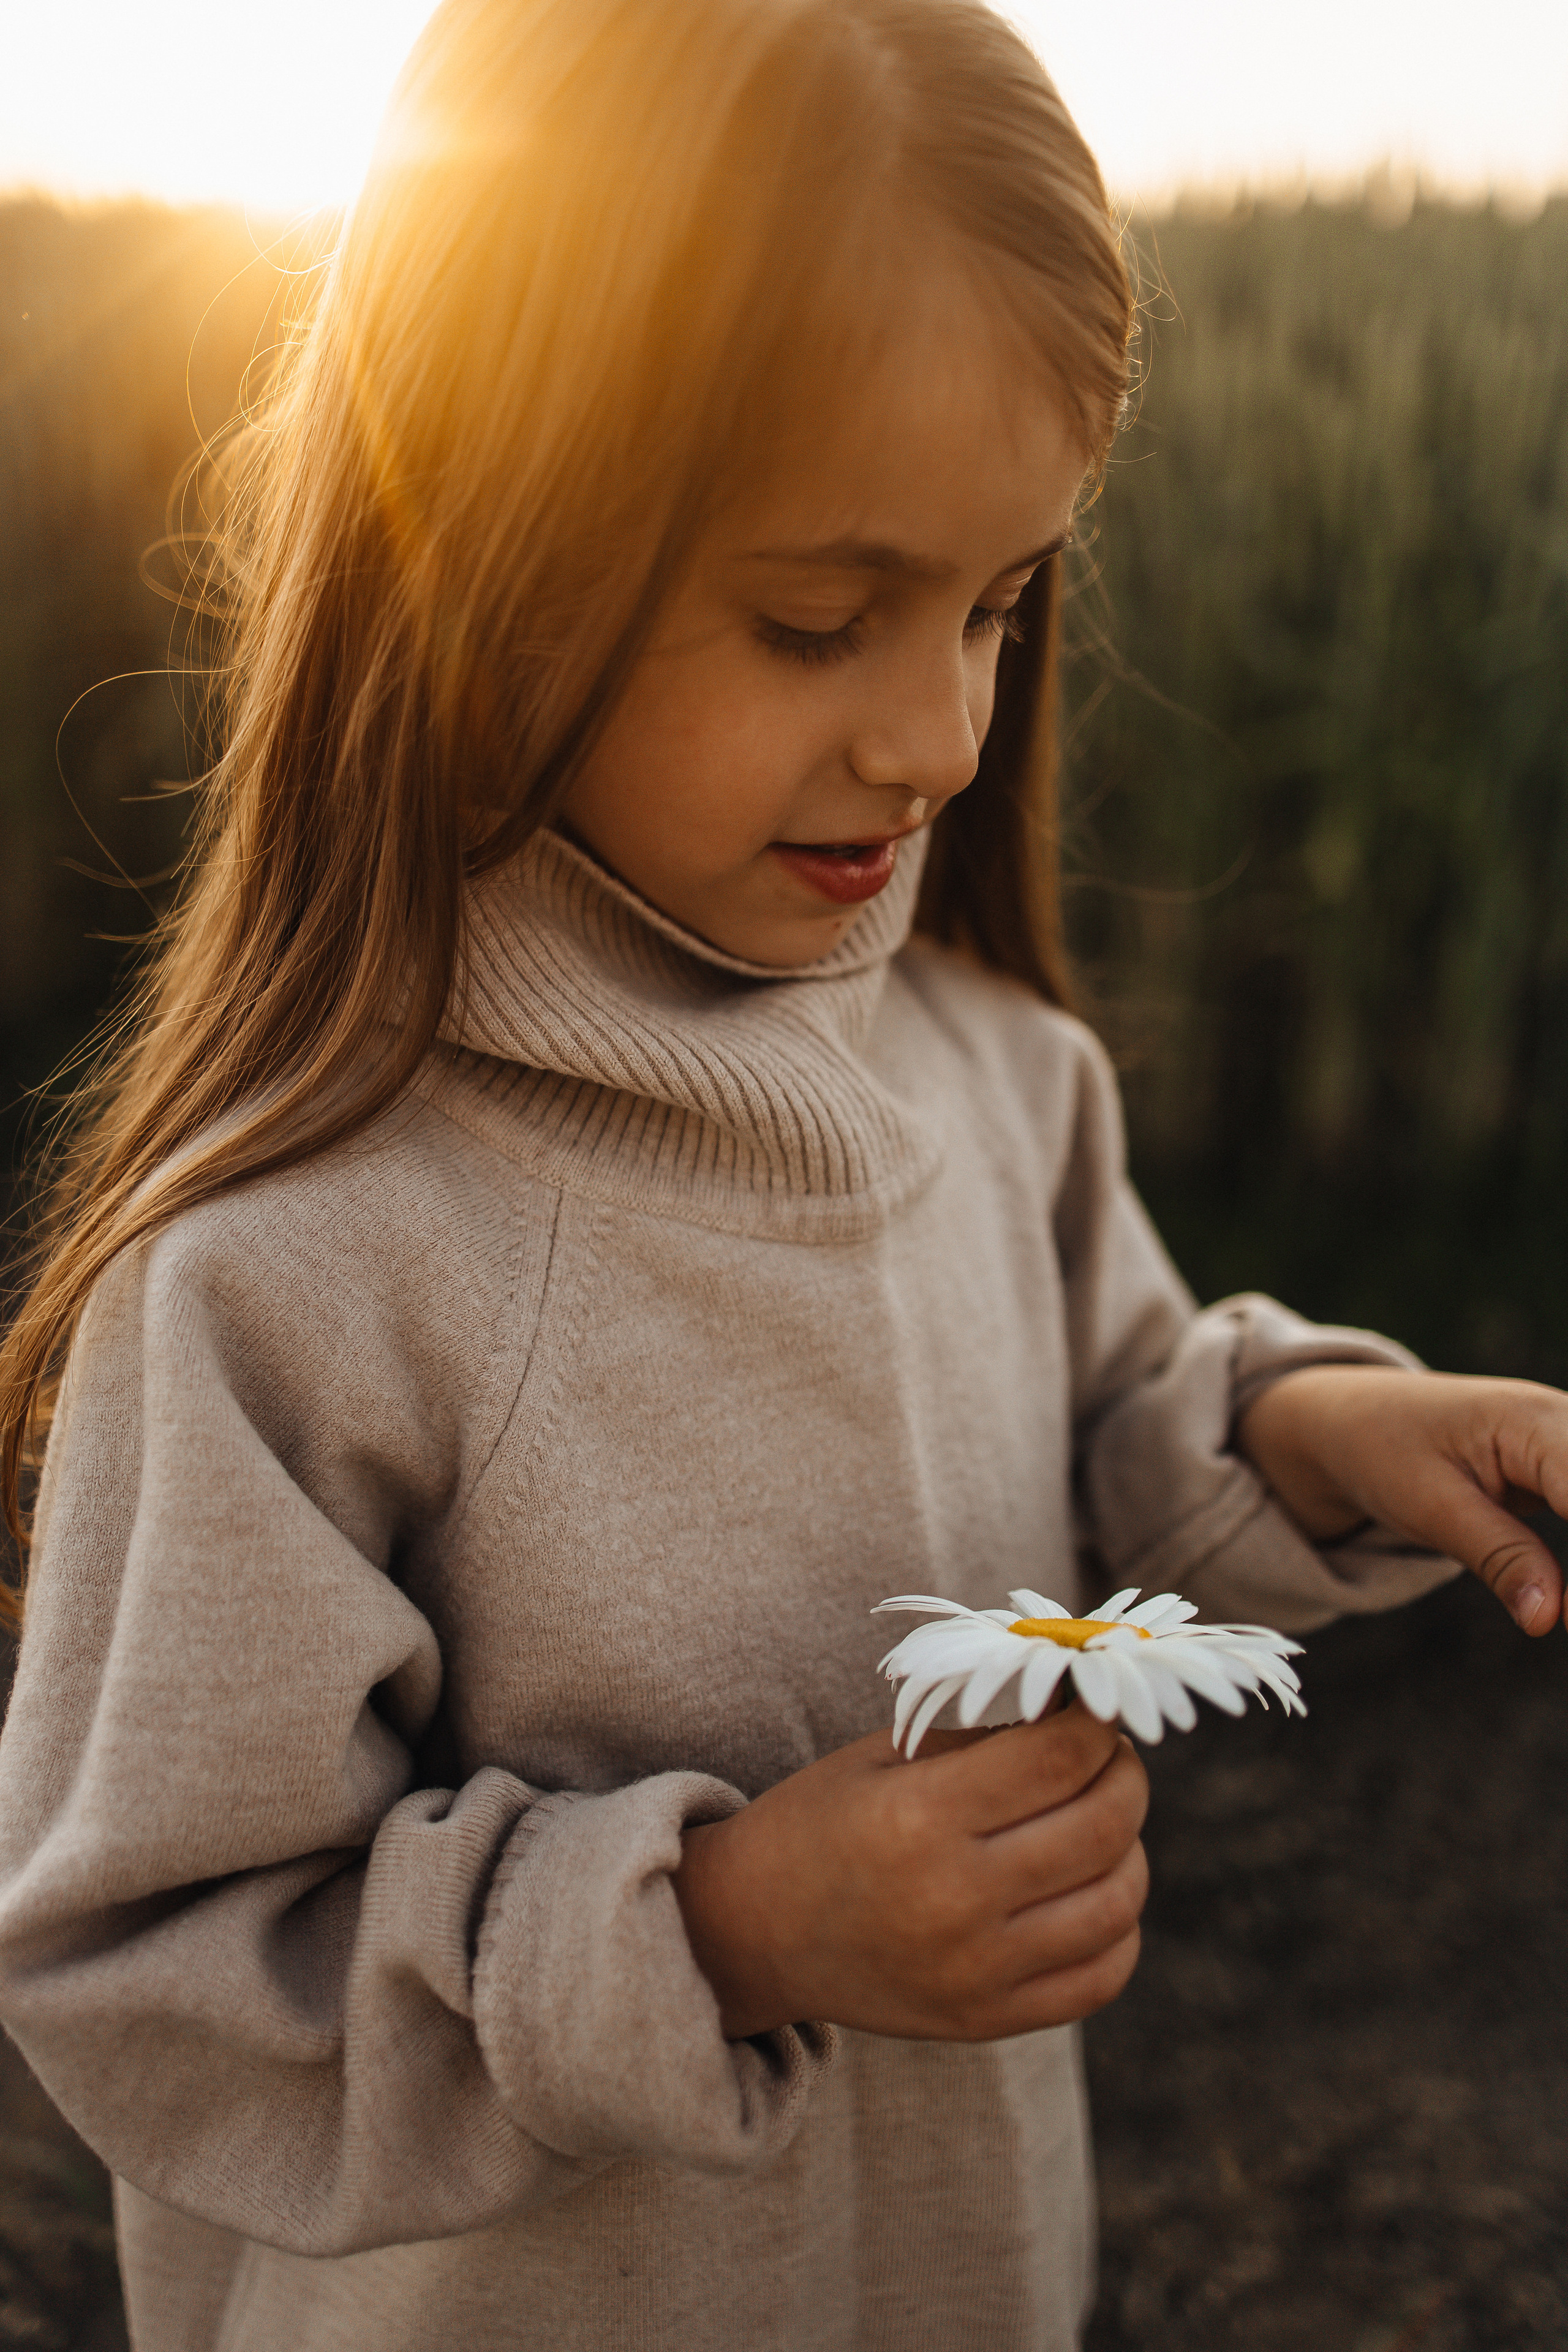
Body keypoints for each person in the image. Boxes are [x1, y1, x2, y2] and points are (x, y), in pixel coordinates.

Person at [1, 1, 1565, 2346]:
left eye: (1000, 604)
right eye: (823, 618)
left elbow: (1086, 1422)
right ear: (487, 547)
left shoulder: (995, 1075)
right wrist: (714, 1935)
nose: (944, 729)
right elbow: (153, 1972)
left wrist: (1288, 1430)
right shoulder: (292, 1267)